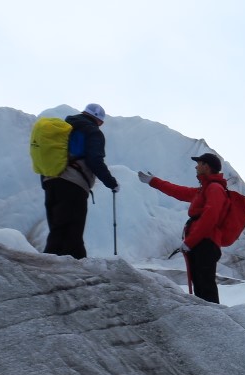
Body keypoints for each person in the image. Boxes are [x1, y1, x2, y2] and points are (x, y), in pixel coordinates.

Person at [138, 153, 231, 304]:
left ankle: (213, 321)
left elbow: (210, 217)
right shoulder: (204, 190)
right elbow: (178, 191)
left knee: (205, 286)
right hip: (201, 243)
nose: (196, 166)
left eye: (199, 163)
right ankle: (207, 319)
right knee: (201, 287)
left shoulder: (214, 189)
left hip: (205, 243)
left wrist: (190, 241)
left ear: (206, 166)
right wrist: (153, 181)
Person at [41, 103, 119, 259]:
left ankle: (52, 270)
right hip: (73, 184)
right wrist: (111, 183)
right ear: (100, 121)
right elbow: (95, 160)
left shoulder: (64, 127)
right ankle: (77, 272)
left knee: (58, 230)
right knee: (72, 233)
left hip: (50, 181)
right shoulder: (92, 131)